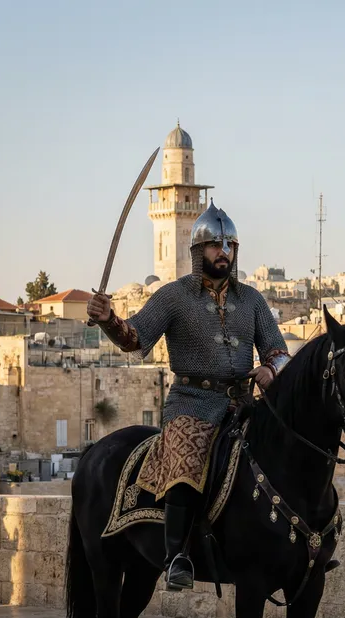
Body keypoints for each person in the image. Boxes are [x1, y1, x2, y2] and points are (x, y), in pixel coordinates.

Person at [87, 201, 289, 590]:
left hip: (242, 404)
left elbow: (279, 353)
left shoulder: (252, 300)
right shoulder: (174, 296)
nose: (223, 253)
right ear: (198, 252)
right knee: (185, 455)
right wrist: (109, 319)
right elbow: (135, 337)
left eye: (229, 245)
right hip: (191, 403)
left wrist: (270, 369)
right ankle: (176, 554)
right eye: (215, 245)